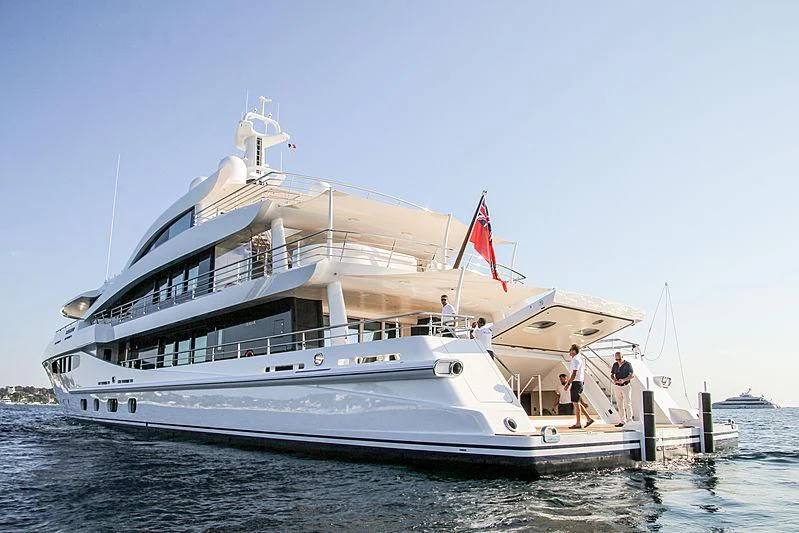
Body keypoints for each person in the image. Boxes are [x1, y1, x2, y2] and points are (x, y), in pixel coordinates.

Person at [564, 344, 594, 429]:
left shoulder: (575, 360)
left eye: (570, 349)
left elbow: (574, 374)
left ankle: (578, 423)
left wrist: (568, 384)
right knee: (577, 402)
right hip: (578, 382)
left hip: (576, 382)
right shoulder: (578, 360)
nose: (569, 351)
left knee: (576, 404)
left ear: (574, 351)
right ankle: (588, 419)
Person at [610, 351, 635, 427]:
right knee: (619, 404)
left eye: (619, 359)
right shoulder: (615, 365)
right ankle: (622, 421)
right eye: (616, 359)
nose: (618, 361)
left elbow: (632, 375)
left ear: (622, 357)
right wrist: (614, 379)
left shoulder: (628, 364)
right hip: (617, 386)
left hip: (625, 386)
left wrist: (624, 380)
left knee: (627, 403)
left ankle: (630, 421)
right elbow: (612, 374)